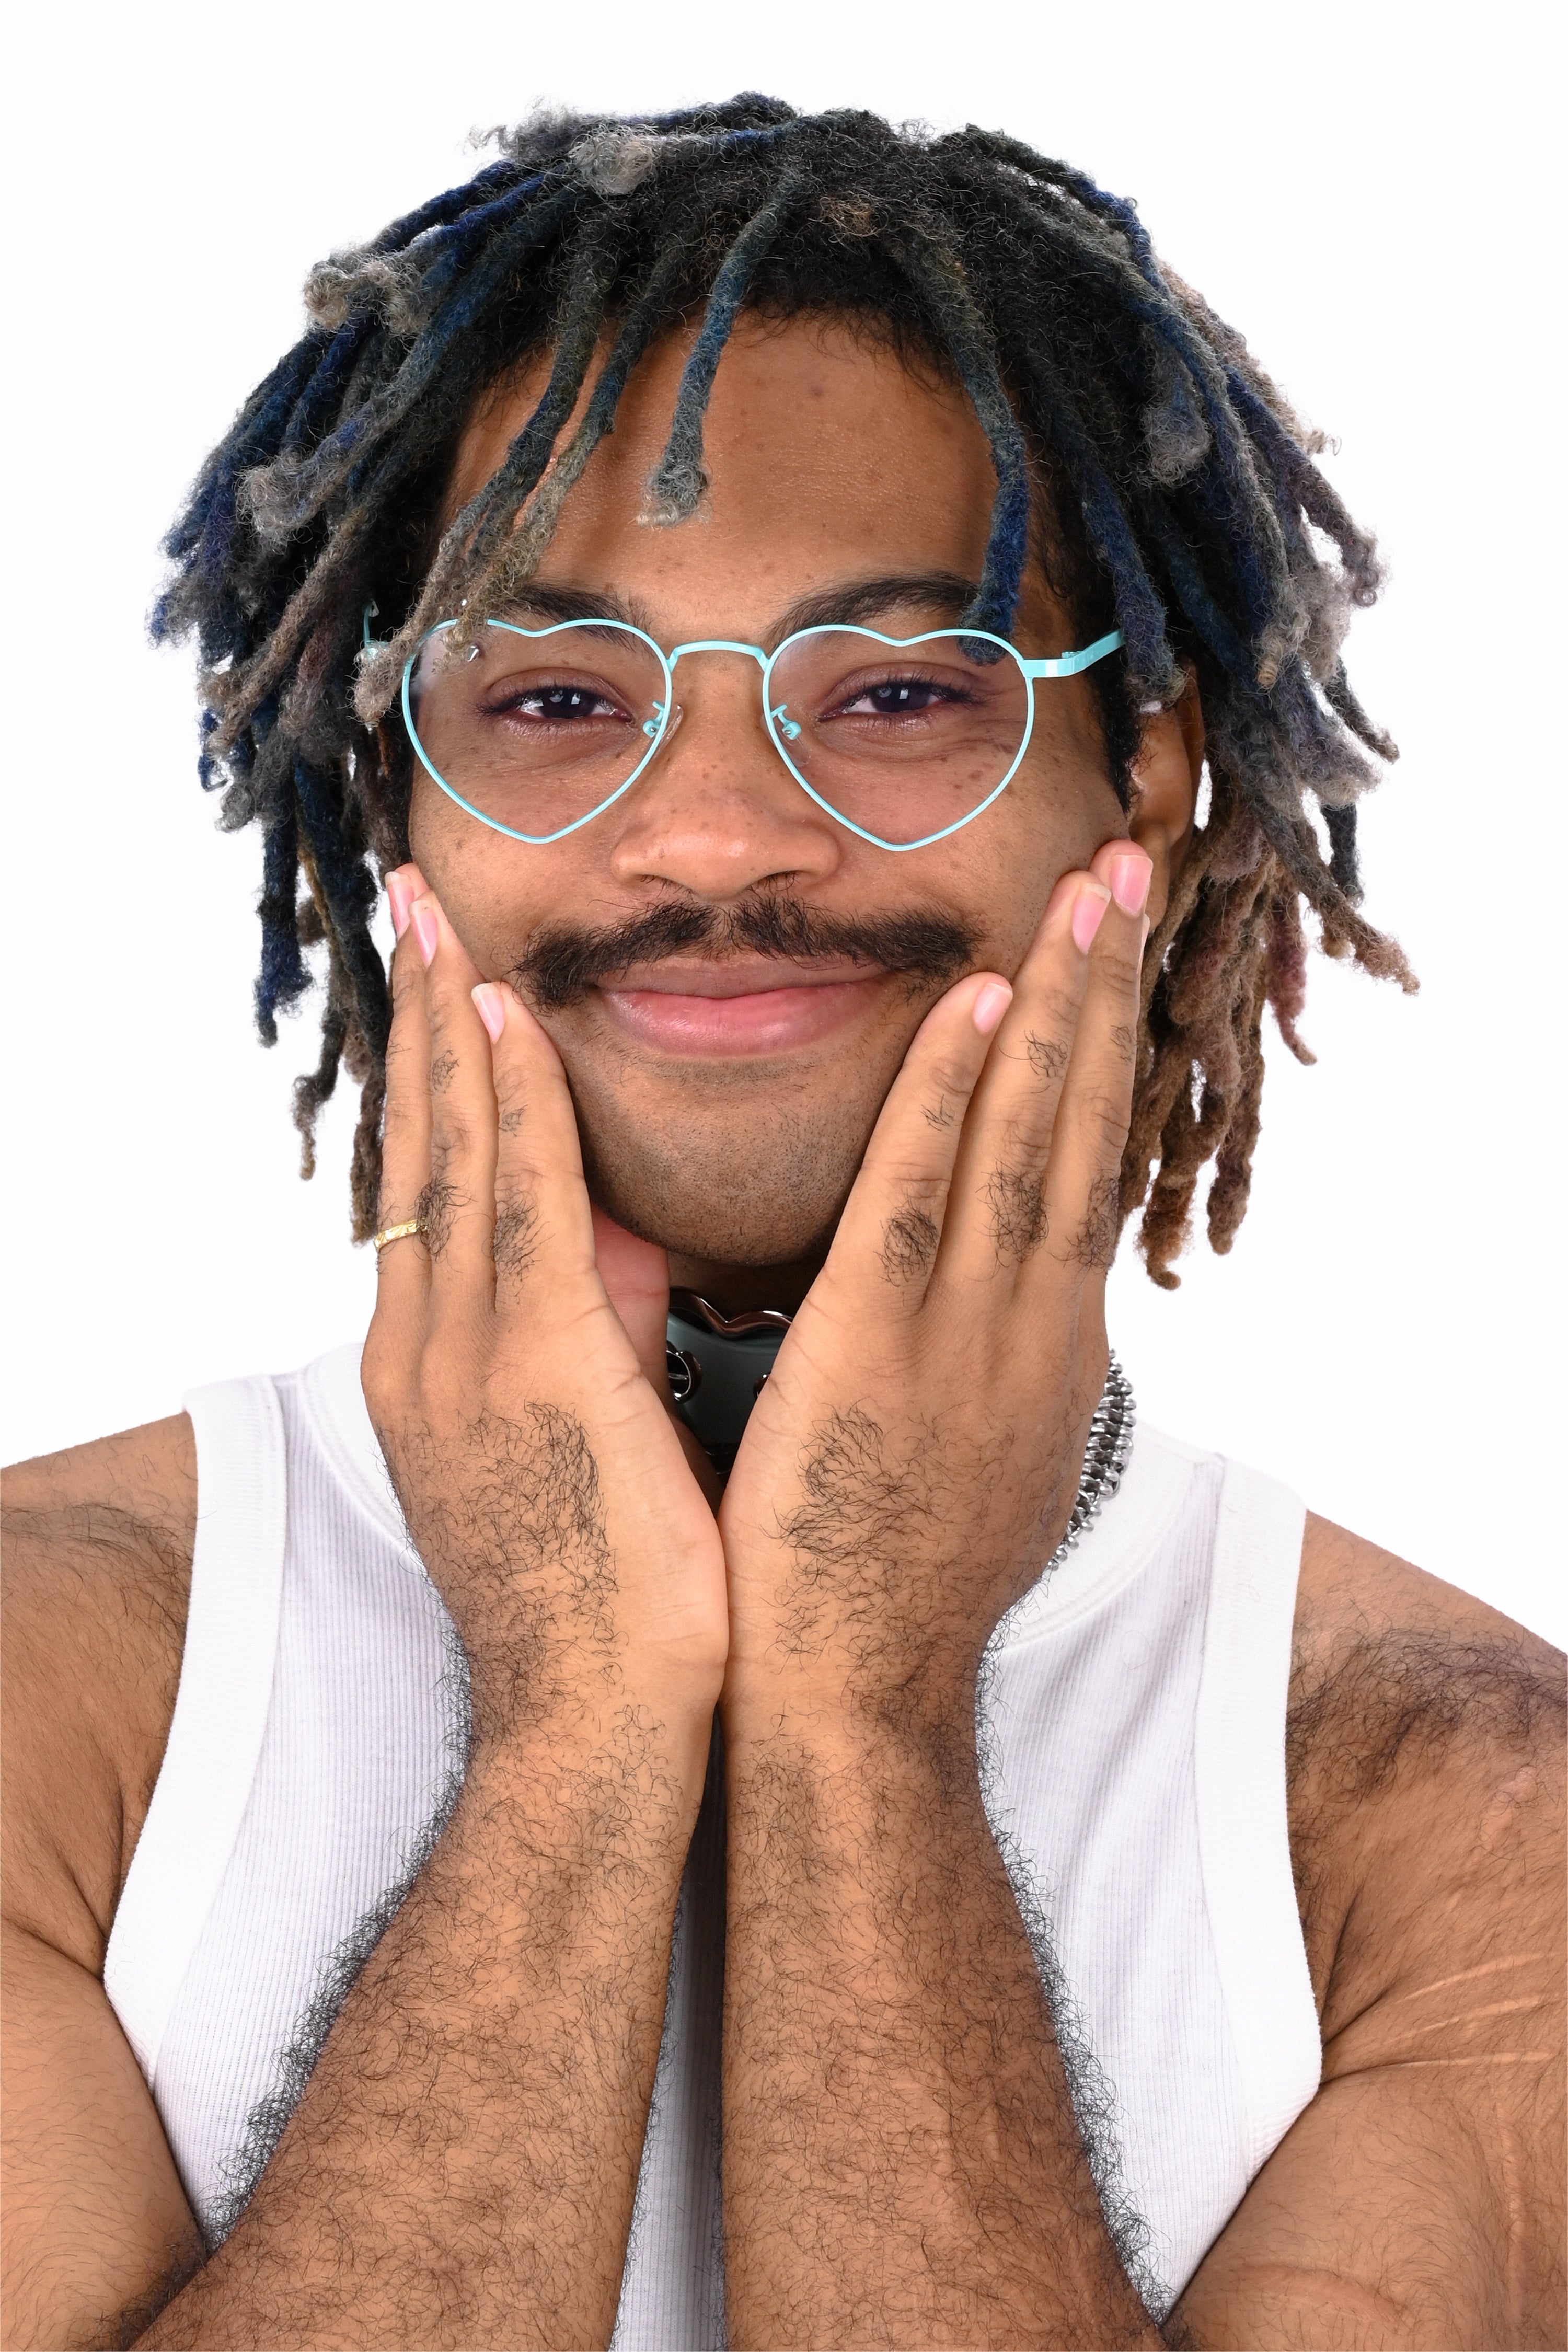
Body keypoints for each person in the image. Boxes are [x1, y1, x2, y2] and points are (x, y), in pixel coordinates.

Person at [2, 96, 1562, 2352]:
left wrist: (865, 1709)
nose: (715, 831)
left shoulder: (1477, 1811)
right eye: (553, 700)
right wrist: (571, 1718)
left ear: (1145, 774)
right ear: (388, 802)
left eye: (905, 693)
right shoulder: (54, 1681)